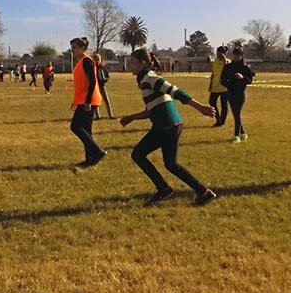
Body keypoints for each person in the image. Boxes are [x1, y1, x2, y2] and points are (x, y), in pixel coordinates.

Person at [119, 48, 218, 206]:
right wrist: (131, 118)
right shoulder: (145, 79)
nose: (130, 65)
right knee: (171, 164)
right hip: (170, 124)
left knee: (138, 154)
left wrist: (201, 108)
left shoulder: (151, 78)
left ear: (142, 63)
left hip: (167, 126)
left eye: (132, 62)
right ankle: (203, 193)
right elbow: (151, 110)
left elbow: (176, 92)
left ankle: (164, 188)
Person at [69, 37, 106, 168]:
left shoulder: (87, 61)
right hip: (83, 99)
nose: (72, 50)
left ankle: (97, 151)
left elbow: (92, 82)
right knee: (86, 130)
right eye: (71, 48)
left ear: (82, 48)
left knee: (75, 126)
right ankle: (90, 159)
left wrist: (88, 101)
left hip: (89, 100)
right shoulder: (81, 62)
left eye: (75, 47)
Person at [221, 47, 255, 143]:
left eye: (238, 55)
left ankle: (236, 135)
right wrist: (229, 84)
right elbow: (222, 79)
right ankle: (243, 133)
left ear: (241, 56)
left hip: (241, 93)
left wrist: (242, 78)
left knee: (237, 113)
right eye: (235, 55)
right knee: (236, 114)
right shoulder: (228, 67)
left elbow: (250, 81)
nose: (236, 57)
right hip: (231, 92)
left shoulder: (246, 67)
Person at [208, 46, 231, 127]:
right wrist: (210, 84)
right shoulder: (215, 61)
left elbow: (227, 69)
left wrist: (224, 59)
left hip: (224, 87)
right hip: (215, 86)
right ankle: (218, 119)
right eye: (217, 52)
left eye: (219, 53)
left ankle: (222, 122)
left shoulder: (228, 62)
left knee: (224, 105)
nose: (217, 54)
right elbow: (213, 73)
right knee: (211, 102)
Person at [92, 54, 115, 120]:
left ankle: (110, 115)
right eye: (95, 59)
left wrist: (105, 80)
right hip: (95, 86)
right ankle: (97, 115)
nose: (97, 61)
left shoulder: (102, 67)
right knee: (96, 101)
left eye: (98, 59)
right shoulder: (92, 67)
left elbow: (107, 75)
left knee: (106, 100)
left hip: (102, 85)